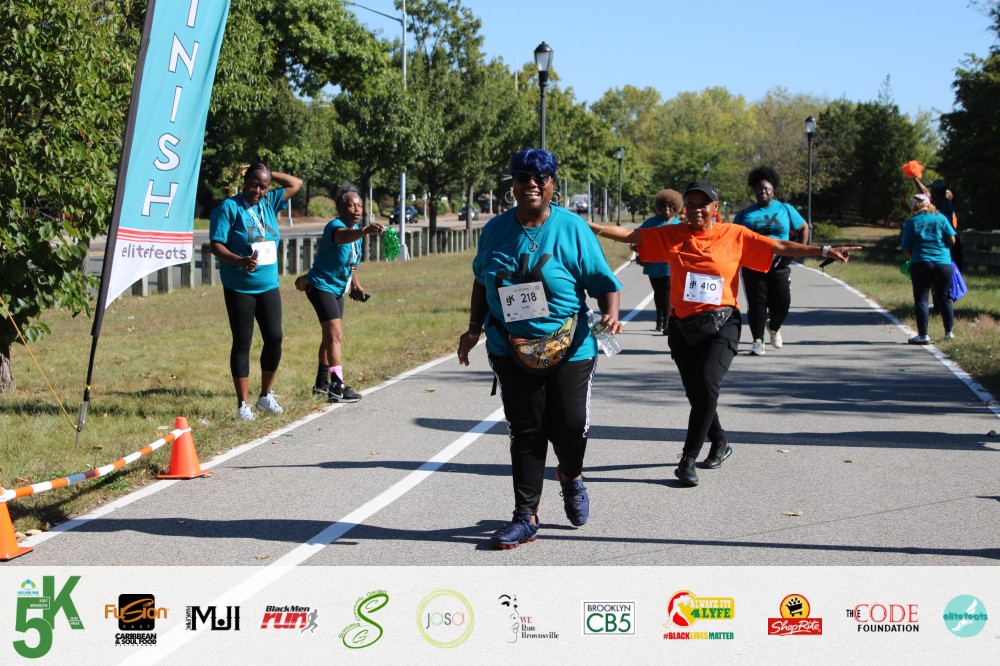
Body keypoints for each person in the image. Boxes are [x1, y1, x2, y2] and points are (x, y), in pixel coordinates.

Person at [587, 179, 858, 486]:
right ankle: (720, 441)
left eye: (703, 204)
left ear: (715, 207)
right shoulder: (673, 233)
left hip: (722, 324)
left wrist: (824, 249)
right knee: (697, 394)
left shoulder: (734, 234)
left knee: (706, 384)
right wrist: (587, 226)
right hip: (682, 328)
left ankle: (687, 460)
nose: (696, 209)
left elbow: (779, 246)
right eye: (691, 204)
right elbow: (630, 235)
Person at [456, 148, 623, 549]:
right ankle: (525, 516)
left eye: (540, 177)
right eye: (523, 177)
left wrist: (611, 315)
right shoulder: (495, 230)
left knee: (569, 425)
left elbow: (604, 284)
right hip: (510, 346)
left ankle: (571, 475)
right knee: (526, 430)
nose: (531, 183)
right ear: (513, 185)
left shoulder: (572, 229)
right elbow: (482, 280)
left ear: (552, 184)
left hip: (571, 344)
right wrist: (474, 328)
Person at [210, 163, 302, 421]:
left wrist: (269, 174)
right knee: (243, 342)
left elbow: (296, 183)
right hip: (240, 285)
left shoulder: (269, 202)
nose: (257, 190)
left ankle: (265, 396)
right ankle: (243, 405)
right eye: (253, 184)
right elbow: (216, 245)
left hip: (268, 284)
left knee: (274, 337)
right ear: (244, 181)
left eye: (263, 186)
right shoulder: (229, 208)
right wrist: (239, 260)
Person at [299, 186, 385, 402]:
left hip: (338, 288)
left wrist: (355, 283)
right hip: (321, 286)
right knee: (335, 335)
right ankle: (337, 386)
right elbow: (342, 238)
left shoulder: (356, 232)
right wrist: (365, 231)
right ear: (340, 208)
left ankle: (321, 383)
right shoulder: (336, 227)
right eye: (351, 205)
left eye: (359, 205)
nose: (357, 209)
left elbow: (352, 262)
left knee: (330, 336)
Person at [734, 166, 810, 356]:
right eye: (759, 189)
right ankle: (758, 341)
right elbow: (733, 236)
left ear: (773, 190)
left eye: (766, 189)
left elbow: (803, 227)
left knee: (783, 303)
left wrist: (798, 252)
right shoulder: (745, 214)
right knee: (757, 303)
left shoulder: (785, 209)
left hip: (779, 264)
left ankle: (774, 327)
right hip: (753, 264)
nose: (763, 192)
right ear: (754, 191)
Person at [900, 193, 956, 344]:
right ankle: (949, 332)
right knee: (944, 296)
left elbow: (906, 248)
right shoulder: (940, 218)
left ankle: (923, 335)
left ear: (914, 206)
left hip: (921, 263)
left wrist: (914, 256)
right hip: (943, 263)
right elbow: (952, 240)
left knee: (921, 298)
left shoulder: (911, 221)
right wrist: (943, 250)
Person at [636, 189, 683, 333]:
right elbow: (637, 237)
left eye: (670, 207)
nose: (667, 209)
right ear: (659, 207)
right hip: (653, 265)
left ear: (675, 208)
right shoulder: (651, 222)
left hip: (670, 266)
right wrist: (636, 247)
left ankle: (667, 323)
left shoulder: (679, 225)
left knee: (668, 293)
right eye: (664, 206)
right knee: (658, 292)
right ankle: (659, 319)